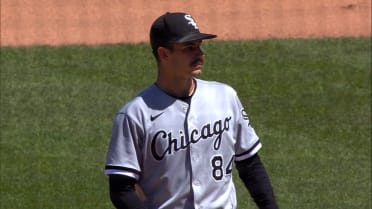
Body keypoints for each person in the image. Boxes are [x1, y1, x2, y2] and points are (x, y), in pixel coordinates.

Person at [104, 12, 279, 209]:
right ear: (164, 54)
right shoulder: (135, 114)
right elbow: (121, 188)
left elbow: (250, 164)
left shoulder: (225, 96)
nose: (200, 54)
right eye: (189, 48)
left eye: (199, 46)